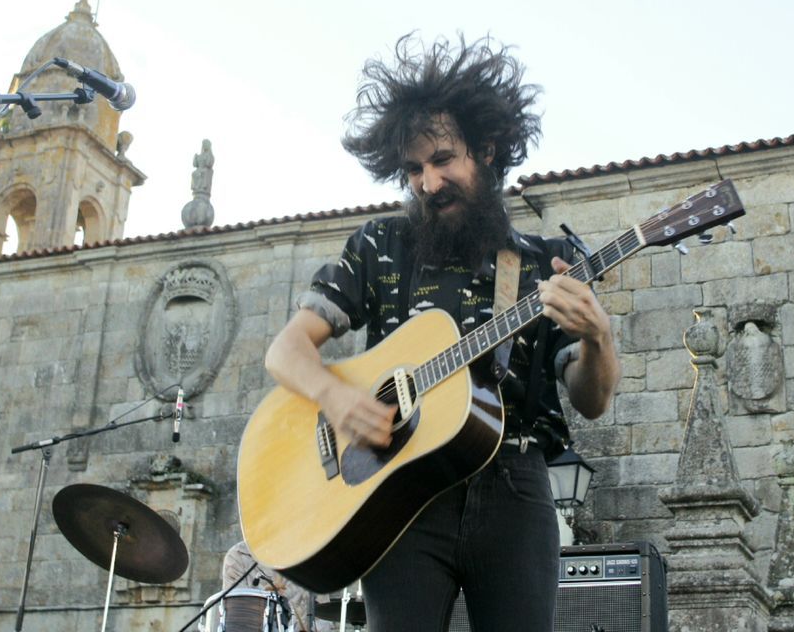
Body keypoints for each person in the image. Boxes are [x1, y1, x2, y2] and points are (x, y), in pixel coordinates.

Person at [263, 34, 621, 631]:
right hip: (403, 500)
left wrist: (597, 338)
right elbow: (286, 351)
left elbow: (592, 398)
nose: (428, 183)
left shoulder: (540, 265)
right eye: (414, 169)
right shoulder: (380, 244)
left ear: (487, 149)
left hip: (515, 489)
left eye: (443, 159)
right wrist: (337, 398)